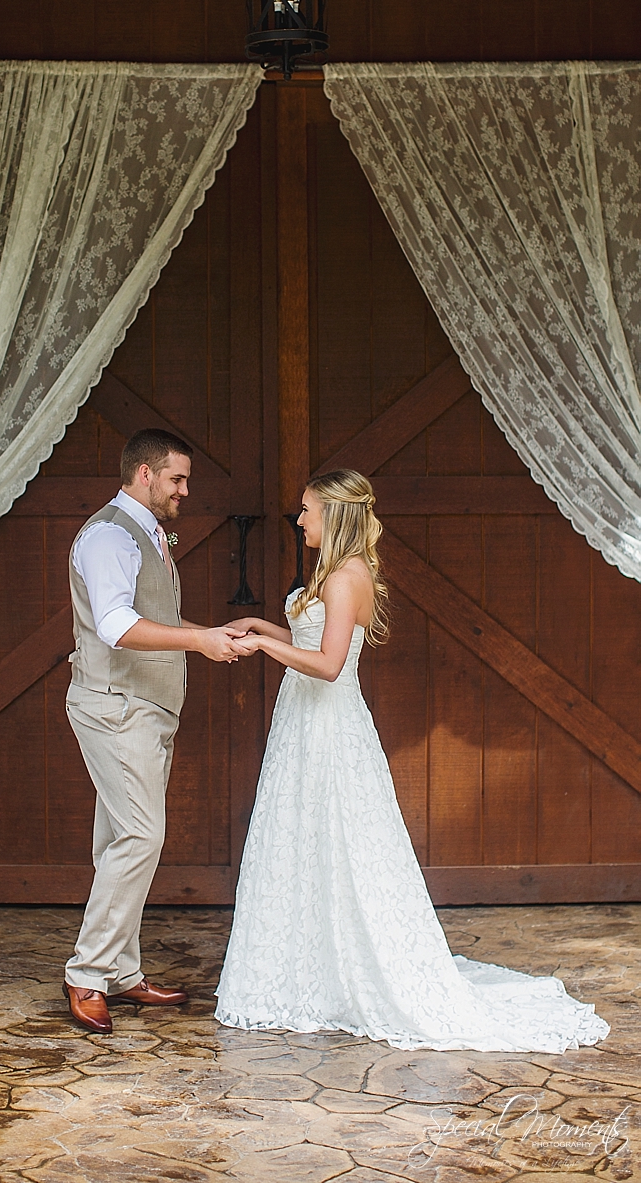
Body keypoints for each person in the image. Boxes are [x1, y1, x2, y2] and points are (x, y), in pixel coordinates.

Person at [215, 469, 609, 1052]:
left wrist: (262, 645)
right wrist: (265, 625)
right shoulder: (333, 574)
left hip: (328, 727)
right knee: (304, 841)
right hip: (302, 724)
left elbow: (327, 666)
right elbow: (314, 639)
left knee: (342, 842)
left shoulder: (348, 576)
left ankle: (347, 974)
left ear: (335, 515)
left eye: (306, 510)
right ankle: (310, 974)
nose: (298, 519)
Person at [64, 428, 249, 1034]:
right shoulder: (111, 535)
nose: (185, 491)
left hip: (144, 709)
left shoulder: (147, 534)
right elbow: (117, 626)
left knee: (118, 840)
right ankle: (87, 973)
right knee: (140, 837)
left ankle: (120, 972)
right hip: (116, 706)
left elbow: (156, 619)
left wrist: (215, 633)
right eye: (177, 479)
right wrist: (198, 641)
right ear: (144, 474)